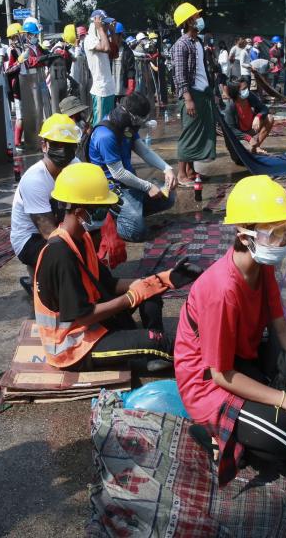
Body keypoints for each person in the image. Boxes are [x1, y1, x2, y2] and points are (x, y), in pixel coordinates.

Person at [174, 176, 286, 485]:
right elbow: (220, 374)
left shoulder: (263, 267)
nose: (284, 240)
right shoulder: (220, 289)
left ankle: (272, 415)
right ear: (244, 234)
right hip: (209, 382)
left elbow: (281, 328)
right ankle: (218, 432)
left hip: (242, 360)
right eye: (275, 232)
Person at [33, 162, 200, 372]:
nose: (107, 215)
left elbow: (108, 284)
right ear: (80, 212)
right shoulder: (60, 255)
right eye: (102, 208)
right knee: (160, 341)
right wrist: (131, 298)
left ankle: (150, 350)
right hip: (74, 347)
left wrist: (161, 280)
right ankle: (160, 347)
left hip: (92, 325)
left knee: (149, 287)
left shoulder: (81, 239)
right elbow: (83, 316)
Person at [86, 93, 176, 241]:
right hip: (112, 188)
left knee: (169, 196)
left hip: (128, 184)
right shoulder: (105, 135)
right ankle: (113, 214)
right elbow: (118, 174)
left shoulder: (127, 127)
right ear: (132, 117)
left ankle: (132, 212)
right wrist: (147, 187)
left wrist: (167, 168)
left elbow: (144, 151)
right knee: (136, 232)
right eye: (141, 120)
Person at [11, 113, 81, 295]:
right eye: (57, 145)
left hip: (59, 224)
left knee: (90, 238)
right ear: (44, 145)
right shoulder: (35, 180)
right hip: (30, 238)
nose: (63, 150)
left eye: (69, 146)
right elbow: (49, 233)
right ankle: (42, 285)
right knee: (64, 254)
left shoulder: (75, 165)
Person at [171, 2, 216, 185]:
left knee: (199, 133)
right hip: (191, 95)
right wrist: (187, 98)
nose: (199, 19)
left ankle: (191, 171)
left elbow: (202, 70)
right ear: (189, 21)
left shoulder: (197, 42)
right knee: (189, 134)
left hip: (202, 93)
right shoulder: (181, 44)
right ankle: (181, 174)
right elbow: (180, 74)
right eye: (196, 17)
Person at [222, 78, 274, 153]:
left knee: (269, 118)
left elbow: (264, 108)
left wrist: (258, 117)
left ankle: (256, 147)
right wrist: (248, 138)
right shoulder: (230, 107)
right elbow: (231, 129)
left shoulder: (250, 96)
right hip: (240, 134)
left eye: (247, 88)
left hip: (252, 128)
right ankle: (250, 145)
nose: (247, 91)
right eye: (244, 89)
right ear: (236, 92)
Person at [84, 10, 117, 125]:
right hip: (100, 90)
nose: (106, 26)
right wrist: (100, 29)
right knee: (99, 124)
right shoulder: (89, 39)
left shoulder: (102, 38)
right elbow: (106, 48)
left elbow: (114, 53)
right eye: (104, 24)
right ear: (95, 23)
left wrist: (112, 32)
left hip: (109, 89)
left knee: (109, 123)